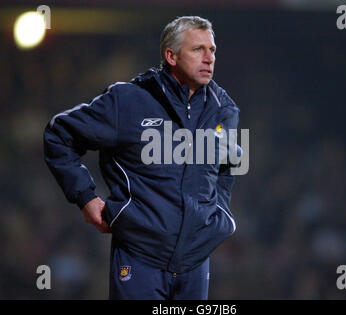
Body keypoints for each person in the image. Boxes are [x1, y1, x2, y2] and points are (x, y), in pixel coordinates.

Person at [43, 16, 241, 300]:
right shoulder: (129, 101)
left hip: (195, 261)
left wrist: (217, 215)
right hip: (140, 255)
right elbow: (59, 134)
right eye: (198, 50)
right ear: (170, 56)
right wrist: (85, 197)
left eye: (212, 50)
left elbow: (227, 165)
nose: (209, 58)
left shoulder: (223, 108)